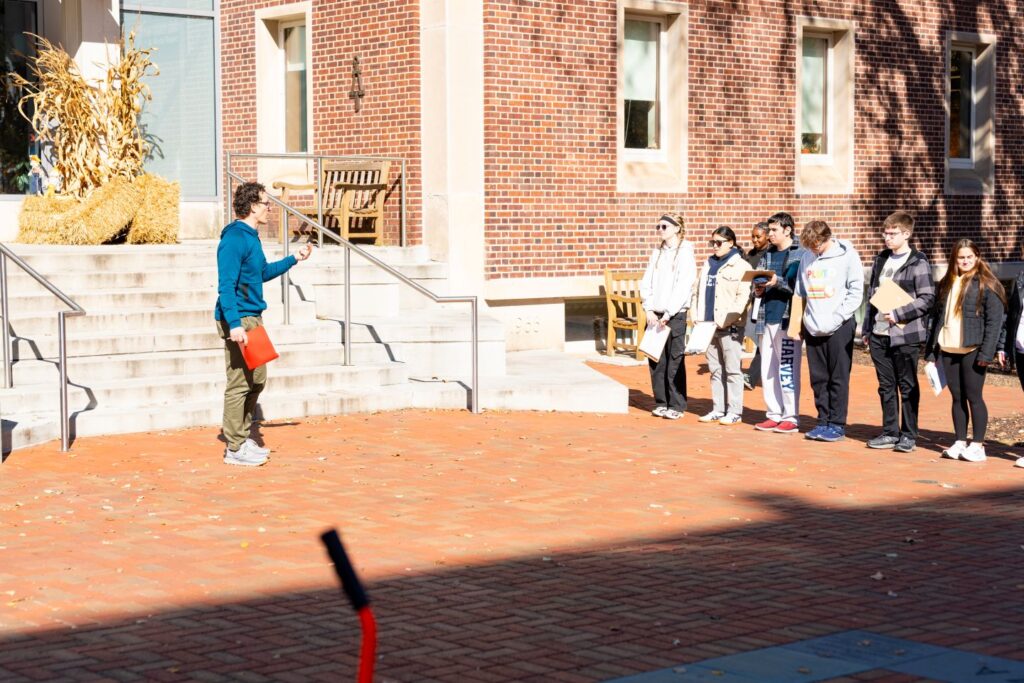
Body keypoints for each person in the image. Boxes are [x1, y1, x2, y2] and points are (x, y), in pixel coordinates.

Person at [215, 182, 313, 466]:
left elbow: (262, 273)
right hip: (239, 318)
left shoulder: (251, 237)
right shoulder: (235, 238)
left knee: (257, 380)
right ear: (253, 206)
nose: (270, 208)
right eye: (266, 203)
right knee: (240, 382)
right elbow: (226, 285)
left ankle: (243, 436)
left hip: (252, 318)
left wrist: (294, 259)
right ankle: (234, 448)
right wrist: (234, 324)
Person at [924, 240, 1005, 463]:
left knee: (974, 397)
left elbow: (994, 323)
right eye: (961, 257)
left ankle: (977, 446)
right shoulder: (947, 283)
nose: (966, 261)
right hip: (948, 349)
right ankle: (960, 441)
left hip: (973, 349)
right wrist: (932, 352)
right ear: (955, 259)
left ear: (977, 257)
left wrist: (986, 354)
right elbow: (937, 319)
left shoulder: (987, 284)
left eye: (970, 256)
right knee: (957, 397)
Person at [860, 212, 934, 454]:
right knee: (886, 385)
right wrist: (867, 328)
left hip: (905, 334)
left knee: (907, 385)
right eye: (886, 233)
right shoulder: (881, 259)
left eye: (893, 234)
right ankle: (890, 432)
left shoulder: (918, 262)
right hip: (879, 333)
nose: (887, 238)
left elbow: (927, 298)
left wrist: (900, 313)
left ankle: (909, 435)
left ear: (907, 234)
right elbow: (872, 295)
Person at [797, 220, 864, 442]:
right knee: (818, 378)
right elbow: (801, 291)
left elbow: (856, 291)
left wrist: (837, 317)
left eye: (816, 245)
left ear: (826, 238)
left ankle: (837, 424)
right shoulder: (807, 257)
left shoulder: (847, 255)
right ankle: (822, 421)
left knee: (838, 377)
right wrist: (803, 322)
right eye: (809, 246)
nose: (813, 250)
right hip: (813, 326)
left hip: (839, 326)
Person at [691, 226, 752, 425]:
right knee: (715, 370)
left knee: (733, 370)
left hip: (729, 327)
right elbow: (696, 292)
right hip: (707, 326)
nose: (715, 246)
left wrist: (726, 320)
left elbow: (743, 298)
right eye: (713, 242)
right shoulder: (708, 264)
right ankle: (718, 409)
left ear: (731, 243)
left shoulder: (742, 266)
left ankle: (734, 411)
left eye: (719, 242)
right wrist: (695, 316)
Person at [751, 212, 805, 434]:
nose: (770, 234)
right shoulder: (768, 253)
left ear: (787, 230)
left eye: (774, 230)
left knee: (787, 368)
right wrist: (757, 288)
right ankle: (773, 414)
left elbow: (799, 287)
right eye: (770, 230)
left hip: (787, 320)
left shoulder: (801, 253)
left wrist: (777, 282)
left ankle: (790, 416)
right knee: (768, 369)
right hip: (766, 317)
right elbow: (759, 280)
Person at [640, 212, 697, 420]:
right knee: (656, 361)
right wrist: (648, 308)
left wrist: (669, 312)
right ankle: (661, 402)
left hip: (675, 315)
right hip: (654, 314)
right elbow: (646, 282)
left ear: (677, 228)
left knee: (674, 361)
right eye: (658, 226)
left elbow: (684, 285)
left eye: (664, 226)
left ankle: (677, 405)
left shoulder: (685, 253)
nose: (660, 230)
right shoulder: (657, 253)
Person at [743, 222, 770, 390]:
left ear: (767, 236)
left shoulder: (771, 254)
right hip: (755, 301)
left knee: (765, 340)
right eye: (753, 236)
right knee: (758, 337)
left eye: (758, 236)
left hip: (769, 302)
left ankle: (752, 376)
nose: (754, 240)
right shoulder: (751, 255)